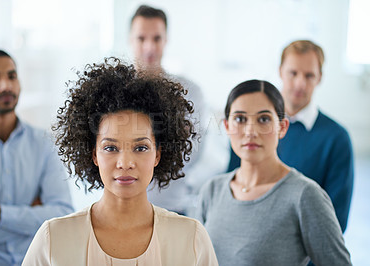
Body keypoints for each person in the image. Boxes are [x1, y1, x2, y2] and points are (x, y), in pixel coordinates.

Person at [22, 58, 218, 266]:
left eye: (140, 148)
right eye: (111, 148)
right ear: (94, 154)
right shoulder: (54, 239)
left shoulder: (191, 238)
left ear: (158, 155)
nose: (125, 163)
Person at [196, 79, 352, 266]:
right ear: (227, 126)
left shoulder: (305, 196)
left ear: (282, 127)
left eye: (263, 119)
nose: (250, 131)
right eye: (240, 119)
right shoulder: (212, 191)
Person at [226, 40, 354, 232]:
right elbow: (231, 187)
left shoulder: (336, 138)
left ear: (319, 78)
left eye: (309, 75)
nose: (300, 83)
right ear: (280, 71)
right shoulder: (247, 130)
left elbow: (335, 220)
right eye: (293, 73)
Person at [0, 49, 74, 265]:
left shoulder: (44, 143)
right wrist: (32, 220)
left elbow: (63, 215)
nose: (5, 85)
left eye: (12, 76)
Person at [129, 5, 211, 215]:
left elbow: (191, 153)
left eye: (156, 38)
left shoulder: (190, 92)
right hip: (123, 206)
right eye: (141, 38)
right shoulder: (113, 92)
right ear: (130, 39)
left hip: (172, 206)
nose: (149, 47)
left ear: (166, 40)